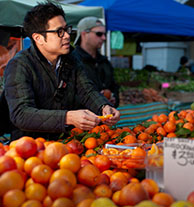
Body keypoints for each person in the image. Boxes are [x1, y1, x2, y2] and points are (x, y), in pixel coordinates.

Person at [3, 2, 120, 140]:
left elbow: (86, 90)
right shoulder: (20, 65)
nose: (66, 36)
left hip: (66, 142)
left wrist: (103, 106)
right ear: (38, 38)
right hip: (30, 146)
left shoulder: (71, 58)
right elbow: (21, 114)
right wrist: (68, 117)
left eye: (66, 29)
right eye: (59, 31)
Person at [72, 16, 120, 107]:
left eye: (104, 34)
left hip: (105, 117)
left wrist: (114, 99)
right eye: (99, 34)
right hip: (82, 118)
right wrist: (96, 100)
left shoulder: (104, 61)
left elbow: (114, 86)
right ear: (84, 34)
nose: (104, 38)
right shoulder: (72, 60)